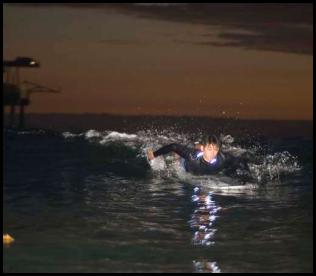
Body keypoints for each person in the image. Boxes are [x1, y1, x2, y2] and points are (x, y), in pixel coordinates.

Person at [147, 135, 227, 175]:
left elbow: (234, 161)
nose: (213, 153)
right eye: (210, 149)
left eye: (215, 150)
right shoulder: (191, 156)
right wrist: (154, 154)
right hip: (184, 163)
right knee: (177, 157)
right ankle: (179, 155)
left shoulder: (221, 158)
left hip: (198, 155)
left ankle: (197, 145)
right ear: (203, 148)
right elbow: (173, 146)